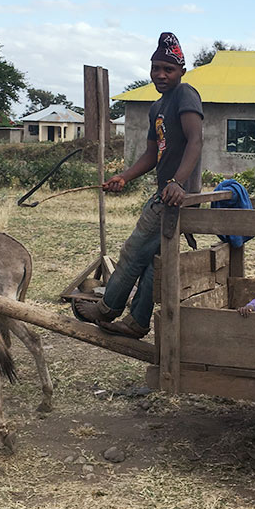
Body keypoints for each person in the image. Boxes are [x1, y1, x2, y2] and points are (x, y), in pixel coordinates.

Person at [73, 32, 203, 339]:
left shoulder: (186, 95)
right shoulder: (156, 107)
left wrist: (177, 182)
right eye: (155, 68)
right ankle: (137, 322)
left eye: (168, 69)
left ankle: (107, 308)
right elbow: (151, 154)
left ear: (181, 72)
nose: (160, 74)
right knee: (151, 262)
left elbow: (195, 141)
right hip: (167, 192)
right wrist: (124, 177)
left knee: (132, 252)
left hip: (176, 194)